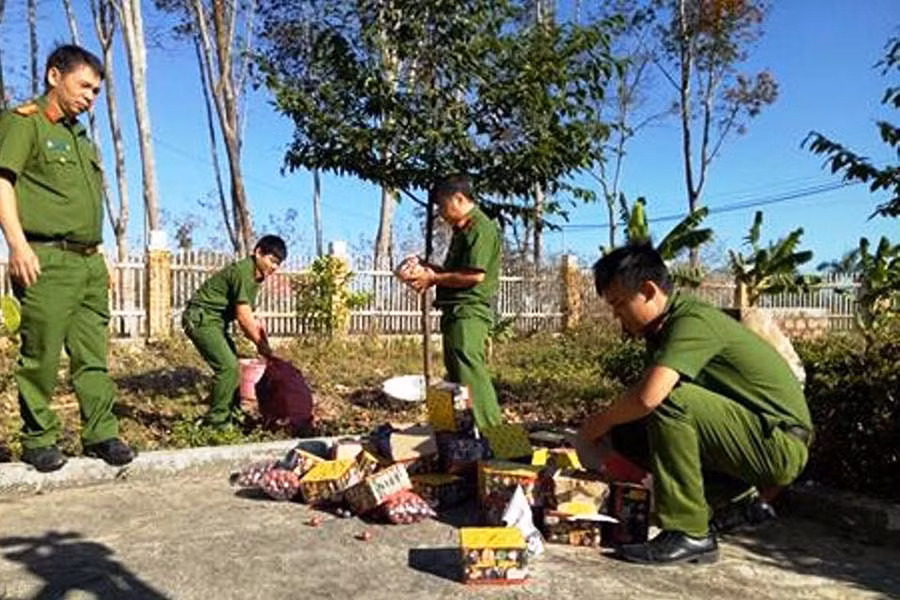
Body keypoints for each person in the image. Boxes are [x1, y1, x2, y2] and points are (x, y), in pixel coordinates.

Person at [577, 242, 812, 565]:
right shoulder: (661, 331)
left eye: (619, 304)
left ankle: (688, 531)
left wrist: (597, 423)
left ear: (647, 290)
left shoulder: (692, 321)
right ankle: (730, 503)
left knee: (667, 400)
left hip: (778, 444)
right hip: (750, 439)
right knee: (629, 431)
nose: (617, 315)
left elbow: (651, 396)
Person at [0, 45, 134, 472]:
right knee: (41, 354)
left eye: (96, 91)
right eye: (84, 86)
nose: (90, 97)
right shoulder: (25, 124)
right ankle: (38, 439)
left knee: (93, 354)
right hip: (46, 258)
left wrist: (102, 255)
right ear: (54, 76)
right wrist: (17, 244)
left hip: (89, 262)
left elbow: (85, 203)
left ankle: (101, 433)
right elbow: (3, 183)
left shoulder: (81, 137)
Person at [404, 174, 503, 430]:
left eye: (441, 204)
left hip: (469, 313)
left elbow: (474, 275)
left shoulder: (481, 227)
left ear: (459, 199)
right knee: (458, 378)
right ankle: (465, 444)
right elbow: (458, 271)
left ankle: (506, 448)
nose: (439, 212)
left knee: (473, 379)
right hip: (456, 313)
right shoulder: (464, 230)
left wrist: (433, 277)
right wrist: (426, 270)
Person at [183, 235, 286, 429]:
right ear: (258, 253)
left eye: (278, 263)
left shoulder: (256, 276)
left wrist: (262, 337)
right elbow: (243, 316)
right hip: (201, 319)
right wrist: (262, 346)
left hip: (216, 322)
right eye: (272, 260)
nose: (274, 267)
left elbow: (249, 314)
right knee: (227, 368)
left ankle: (232, 414)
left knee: (234, 368)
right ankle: (216, 423)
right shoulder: (242, 272)